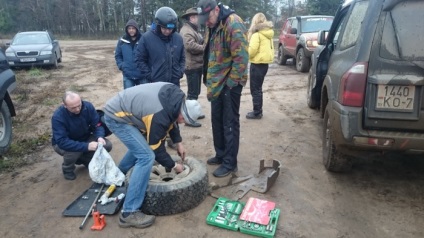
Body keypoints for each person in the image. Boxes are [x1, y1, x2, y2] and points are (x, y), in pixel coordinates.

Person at [103, 82, 202, 229]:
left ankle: (119, 174)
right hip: (116, 117)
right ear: (182, 112)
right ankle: (129, 213)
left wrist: (178, 142)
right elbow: (157, 150)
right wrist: (174, 166)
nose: (182, 123)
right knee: (146, 156)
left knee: (140, 146)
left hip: (130, 109)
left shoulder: (176, 99)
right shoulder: (159, 116)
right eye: (183, 120)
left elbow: (172, 120)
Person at [196, 0, 248, 177]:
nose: (206, 22)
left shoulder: (233, 22)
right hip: (216, 84)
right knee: (217, 120)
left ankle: (230, 162)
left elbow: (241, 58)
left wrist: (231, 84)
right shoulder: (214, 24)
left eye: (208, 17)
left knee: (229, 122)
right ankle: (221, 154)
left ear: (217, 9)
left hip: (229, 84)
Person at [51, 91, 112, 180]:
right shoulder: (58, 117)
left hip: (84, 137)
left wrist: (99, 137)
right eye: (73, 108)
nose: (77, 109)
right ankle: (67, 169)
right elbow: (62, 141)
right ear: (64, 105)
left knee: (107, 145)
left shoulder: (88, 106)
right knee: (74, 151)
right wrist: (86, 146)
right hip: (64, 143)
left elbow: (97, 124)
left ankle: (86, 160)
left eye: (79, 105)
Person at [134, 7, 185, 87]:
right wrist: (150, 75)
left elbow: (182, 58)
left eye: (170, 29)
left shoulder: (178, 38)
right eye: (164, 28)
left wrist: (180, 72)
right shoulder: (146, 38)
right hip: (155, 84)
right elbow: (139, 60)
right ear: (158, 25)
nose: (167, 31)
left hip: (174, 82)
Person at [179, 7, 206, 127]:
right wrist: (205, 48)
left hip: (196, 64)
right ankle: (189, 118)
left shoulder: (193, 29)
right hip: (192, 65)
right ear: (192, 18)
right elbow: (190, 46)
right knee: (192, 93)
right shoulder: (186, 30)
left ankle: (194, 112)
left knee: (195, 91)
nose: (199, 19)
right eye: (197, 17)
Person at [246, 13, 274, 119]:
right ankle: (258, 110)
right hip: (264, 64)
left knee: (255, 89)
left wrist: (245, 54)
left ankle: (257, 112)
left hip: (257, 64)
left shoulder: (256, 34)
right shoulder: (268, 33)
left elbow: (252, 51)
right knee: (258, 88)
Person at [115, 19, 144, 89]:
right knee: (128, 98)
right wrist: (122, 66)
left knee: (143, 98)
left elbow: (149, 55)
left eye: (133, 28)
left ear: (137, 29)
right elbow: (118, 55)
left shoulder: (143, 40)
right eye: (129, 28)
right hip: (128, 76)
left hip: (142, 76)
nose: (131, 30)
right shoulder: (122, 41)